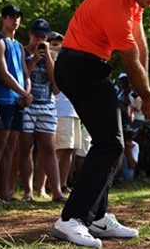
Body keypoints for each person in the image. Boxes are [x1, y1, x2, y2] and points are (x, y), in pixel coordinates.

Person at [50, 0, 150, 247]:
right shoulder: (116, 5)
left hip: (87, 68)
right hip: (80, 68)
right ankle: (71, 219)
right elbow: (130, 60)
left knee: (109, 141)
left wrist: (145, 90)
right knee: (110, 144)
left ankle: (97, 216)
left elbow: (141, 46)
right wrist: (147, 98)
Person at [0, 4, 32, 203]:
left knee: (12, 145)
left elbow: (25, 73)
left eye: (18, 17)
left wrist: (26, 93)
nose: (15, 20)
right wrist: (23, 93)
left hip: (19, 101)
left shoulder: (19, 46)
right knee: (0, 143)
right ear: (3, 18)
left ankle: (5, 192)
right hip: (2, 99)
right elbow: (3, 74)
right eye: (11, 16)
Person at [18, 18, 65, 202]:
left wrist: (48, 57)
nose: (39, 40)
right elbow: (21, 77)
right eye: (37, 35)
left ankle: (57, 192)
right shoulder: (21, 51)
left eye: (43, 37)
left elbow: (55, 83)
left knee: (49, 149)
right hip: (27, 105)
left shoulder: (51, 55)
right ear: (30, 34)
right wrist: (35, 59)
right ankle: (28, 192)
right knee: (26, 148)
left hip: (46, 104)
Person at [48, 31, 80, 194]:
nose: (57, 45)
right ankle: (50, 185)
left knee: (69, 150)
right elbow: (55, 87)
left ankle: (62, 183)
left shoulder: (69, 61)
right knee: (59, 150)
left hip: (73, 110)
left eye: (59, 42)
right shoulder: (50, 61)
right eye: (52, 42)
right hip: (59, 110)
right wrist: (52, 55)